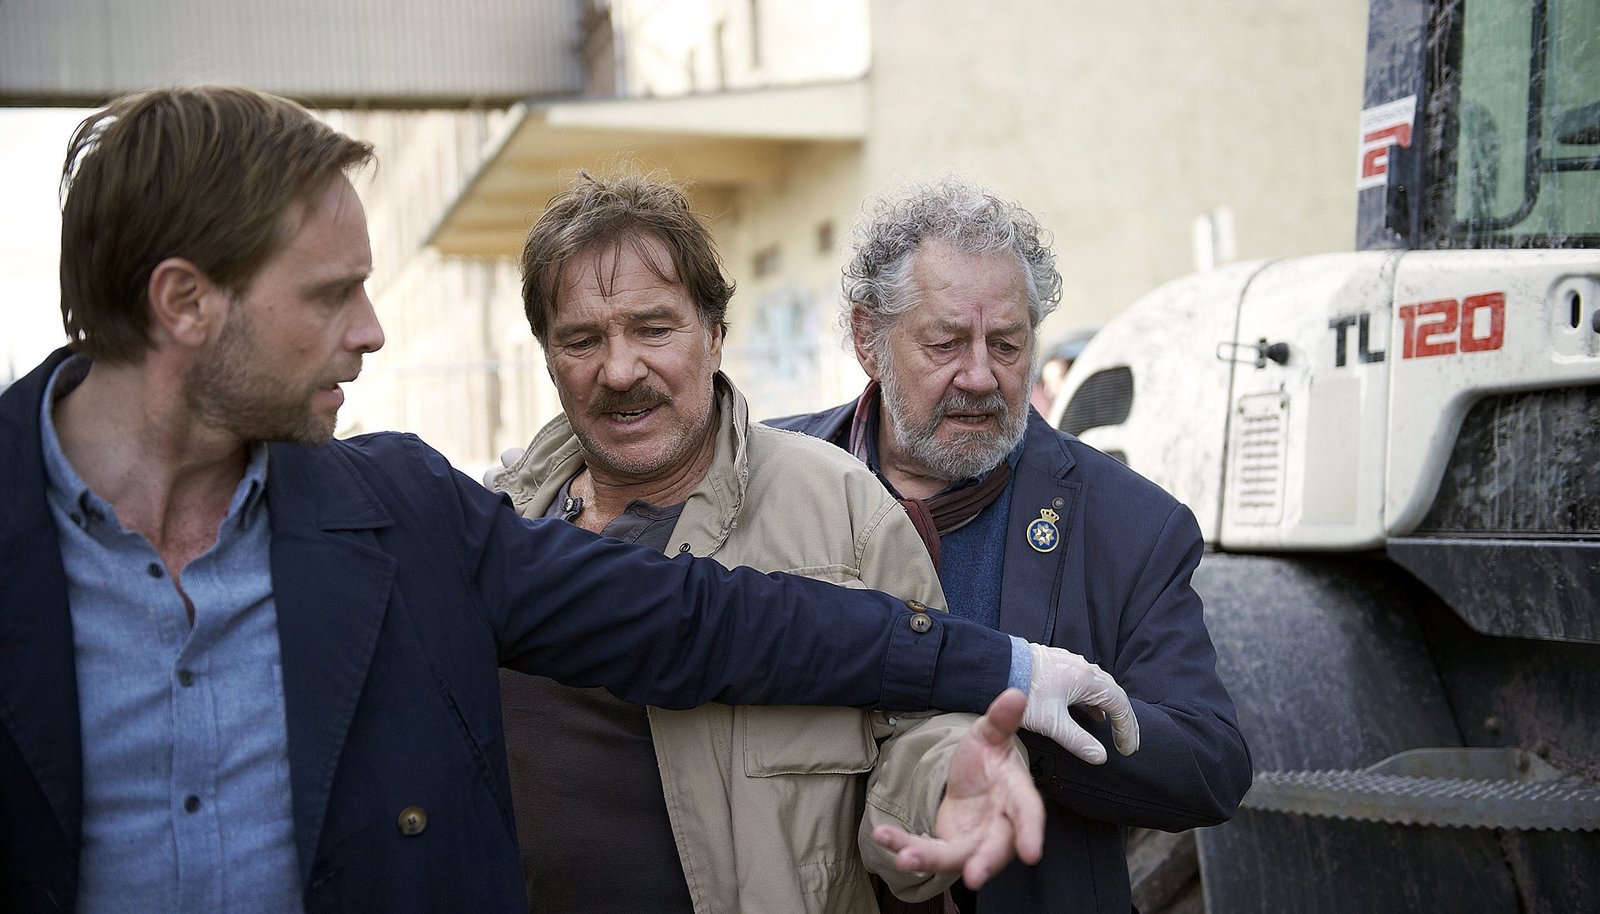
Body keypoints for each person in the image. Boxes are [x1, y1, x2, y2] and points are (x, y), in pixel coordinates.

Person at [0, 88, 1139, 913]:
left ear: (713, 332)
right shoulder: (470, 509)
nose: (371, 330)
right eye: (332, 293)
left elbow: (704, 619)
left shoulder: (398, 515)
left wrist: (1005, 668)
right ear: (186, 303)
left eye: (654, 326)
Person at [490, 173, 1041, 913]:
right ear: (549, 357)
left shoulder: (842, 509)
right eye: (583, 340)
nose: (620, 371)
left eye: (654, 329)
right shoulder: (496, 531)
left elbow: (921, 729)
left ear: (714, 335)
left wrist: (946, 787)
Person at [772, 178, 1253, 913]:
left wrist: (1028, 726)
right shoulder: (770, 478)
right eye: (944, 344)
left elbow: (1209, 766)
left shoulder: (1130, 523)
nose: (980, 377)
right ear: (868, 338)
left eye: (1007, 344)